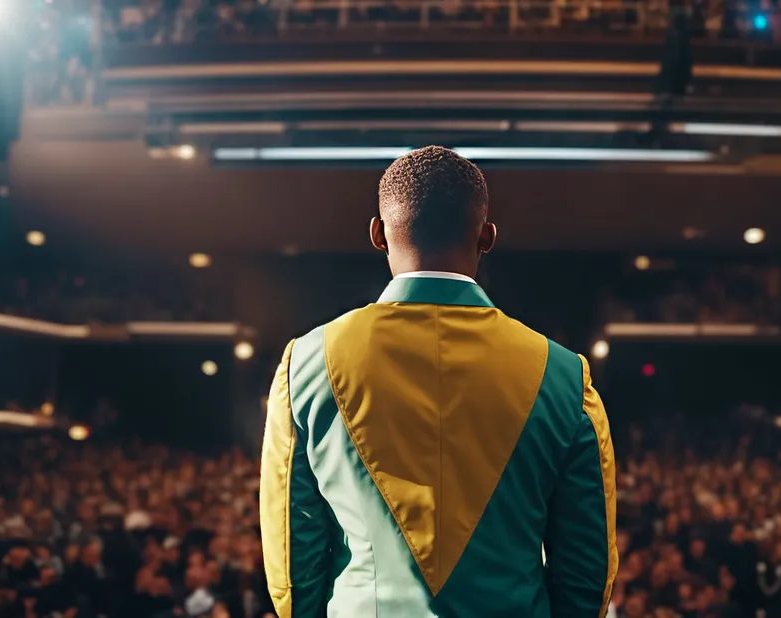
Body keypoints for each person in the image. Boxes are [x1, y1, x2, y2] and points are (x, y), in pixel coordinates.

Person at [260, 145, 618, 617]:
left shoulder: (306, 363)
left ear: (378, 235)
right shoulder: (564, 374)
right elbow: (587, 570)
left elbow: (291, 557)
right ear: (487, 236)